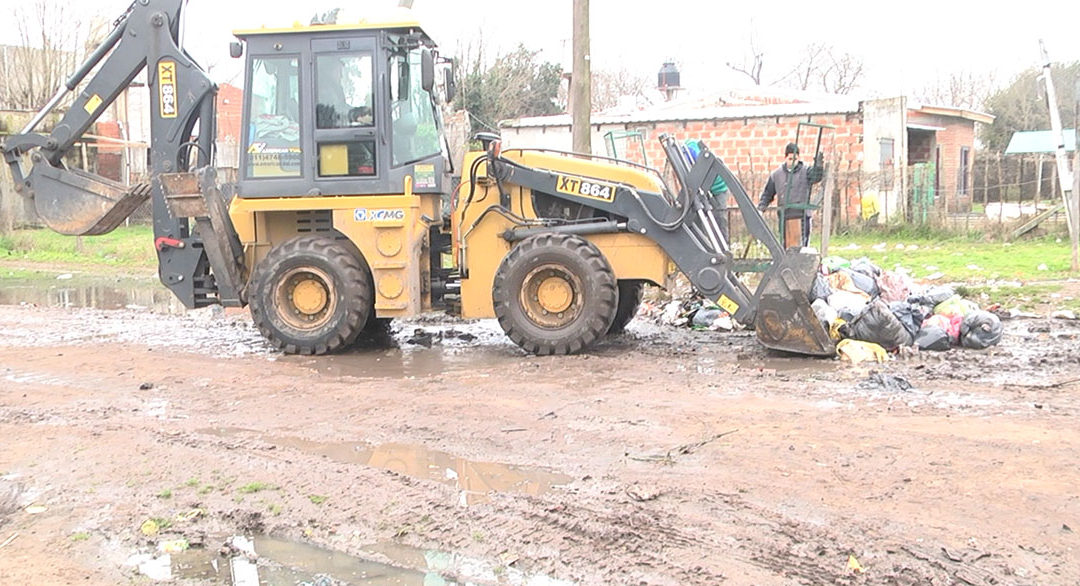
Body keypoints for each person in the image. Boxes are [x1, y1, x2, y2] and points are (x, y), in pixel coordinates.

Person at [757, 142, 823, 249]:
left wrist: (819, 166)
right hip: (785, 216)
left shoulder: (806, 171)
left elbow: (816, 177)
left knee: (803, 247)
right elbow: (768, 194)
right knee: (786, 246)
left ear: (799, 158)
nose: (793, 162)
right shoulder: (776, 175)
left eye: (795, 159)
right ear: (785, 158)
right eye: (790, 159)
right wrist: (761, 208)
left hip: (802, 216)